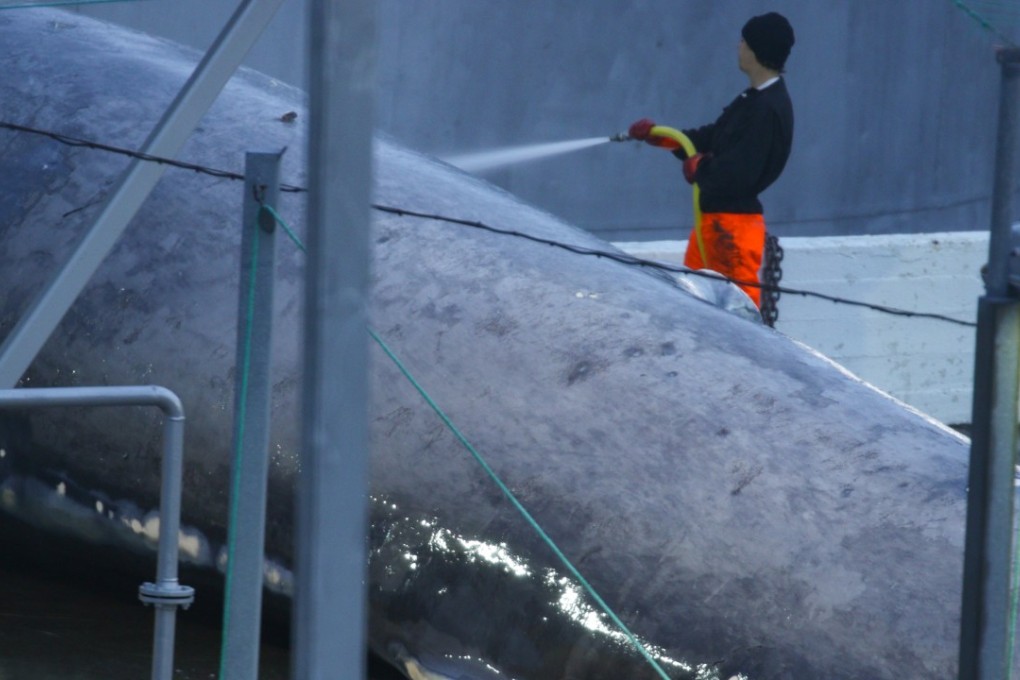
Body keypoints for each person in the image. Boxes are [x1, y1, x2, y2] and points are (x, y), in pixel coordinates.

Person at [628, 11, 795, 309]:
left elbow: (742, 171)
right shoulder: (755, 100)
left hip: (733, 233)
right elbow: (713, 137)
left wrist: (701, 169)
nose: (738, 47)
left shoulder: (767, 110)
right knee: (694, 309)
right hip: (715, 224)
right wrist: (661, 137)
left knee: (735, 317)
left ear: (756, 50)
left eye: (743, 41)